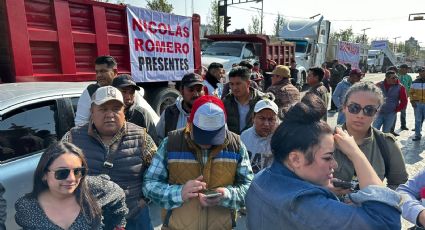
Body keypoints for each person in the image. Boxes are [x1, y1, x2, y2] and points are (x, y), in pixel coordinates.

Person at [245, 92, 402, 230]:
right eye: (327, 157)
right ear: (295, 159)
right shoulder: (305, 204)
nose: (335, 164)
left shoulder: (261, 178)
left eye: (370, 110)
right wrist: (356, 153)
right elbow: (386, 222)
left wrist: (324, 193)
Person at [143, 95, 254, 230]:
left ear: (224, 125)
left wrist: (227, 195)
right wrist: (179, 193)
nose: (207, 142)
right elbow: (149, 185)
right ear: (189, 123)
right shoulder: (171, 143)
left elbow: (250, 188)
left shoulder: (236, 145)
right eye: (202, 134)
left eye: (214, 135)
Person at [63, 86, 157, 230]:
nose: (110, 114)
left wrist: (143, 201)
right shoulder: (72, 138)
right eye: (103, 109)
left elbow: (158, 174)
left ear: (124, 112)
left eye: (115, 108)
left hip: (134, 219)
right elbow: (55, 175)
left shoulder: (142, 138)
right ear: (92, 112)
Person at [14, 142, 128, 230]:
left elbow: (118, 200)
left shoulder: (97, 188)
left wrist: (117, 226)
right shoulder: (27, 207)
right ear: (44, 174)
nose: (72, 179)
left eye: (78, 171)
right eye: (62, 173)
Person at [334, 81, 408, 189]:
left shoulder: (387, 144)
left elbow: (400, 185)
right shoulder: (324, 140)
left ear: (377, 113)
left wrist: (377, 200)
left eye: (369, 110)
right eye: (354, 108)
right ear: (344, 108)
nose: (360, 115)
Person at [74, 55, 158, 126]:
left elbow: (149, 116)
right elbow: (81, 123)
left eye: (103, 71)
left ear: (115, 72)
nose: (99, 75)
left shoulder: (127, 88)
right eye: (97, 72)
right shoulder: (91, 91)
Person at [223, 66, 273, 134]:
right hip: (234, 143)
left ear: (248, 83)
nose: (234, 88)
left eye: (238, 84)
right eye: (231, 84)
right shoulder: (226, 102)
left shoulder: (263, 101)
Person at [112, 74, 159, 145]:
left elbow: (153, 144)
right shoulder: (105, 113)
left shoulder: (142, 114)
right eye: (124, 92)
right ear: (114, 91)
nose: (128, 97)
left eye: (131, 92)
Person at [156, 73, 205, 140]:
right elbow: (158, 140)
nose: (196, 94)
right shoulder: (169, 113)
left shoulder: (211, 113)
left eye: (199, 90)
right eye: (191, 90)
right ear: (181, 91)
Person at [241, 99, 279, 173]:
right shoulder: (244, 137)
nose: (266, 124)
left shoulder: (280, 140)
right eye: (262, 118)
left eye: (271, 119)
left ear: (276, 120)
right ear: (253, 118)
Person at [410, 67, 425, 141]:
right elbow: (411, 93)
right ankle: (417, 135)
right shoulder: (415, 82)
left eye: (423, 72)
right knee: (418, 120)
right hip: (417, 104)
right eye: (420, 72)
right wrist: (412, 101)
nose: (422, 73)